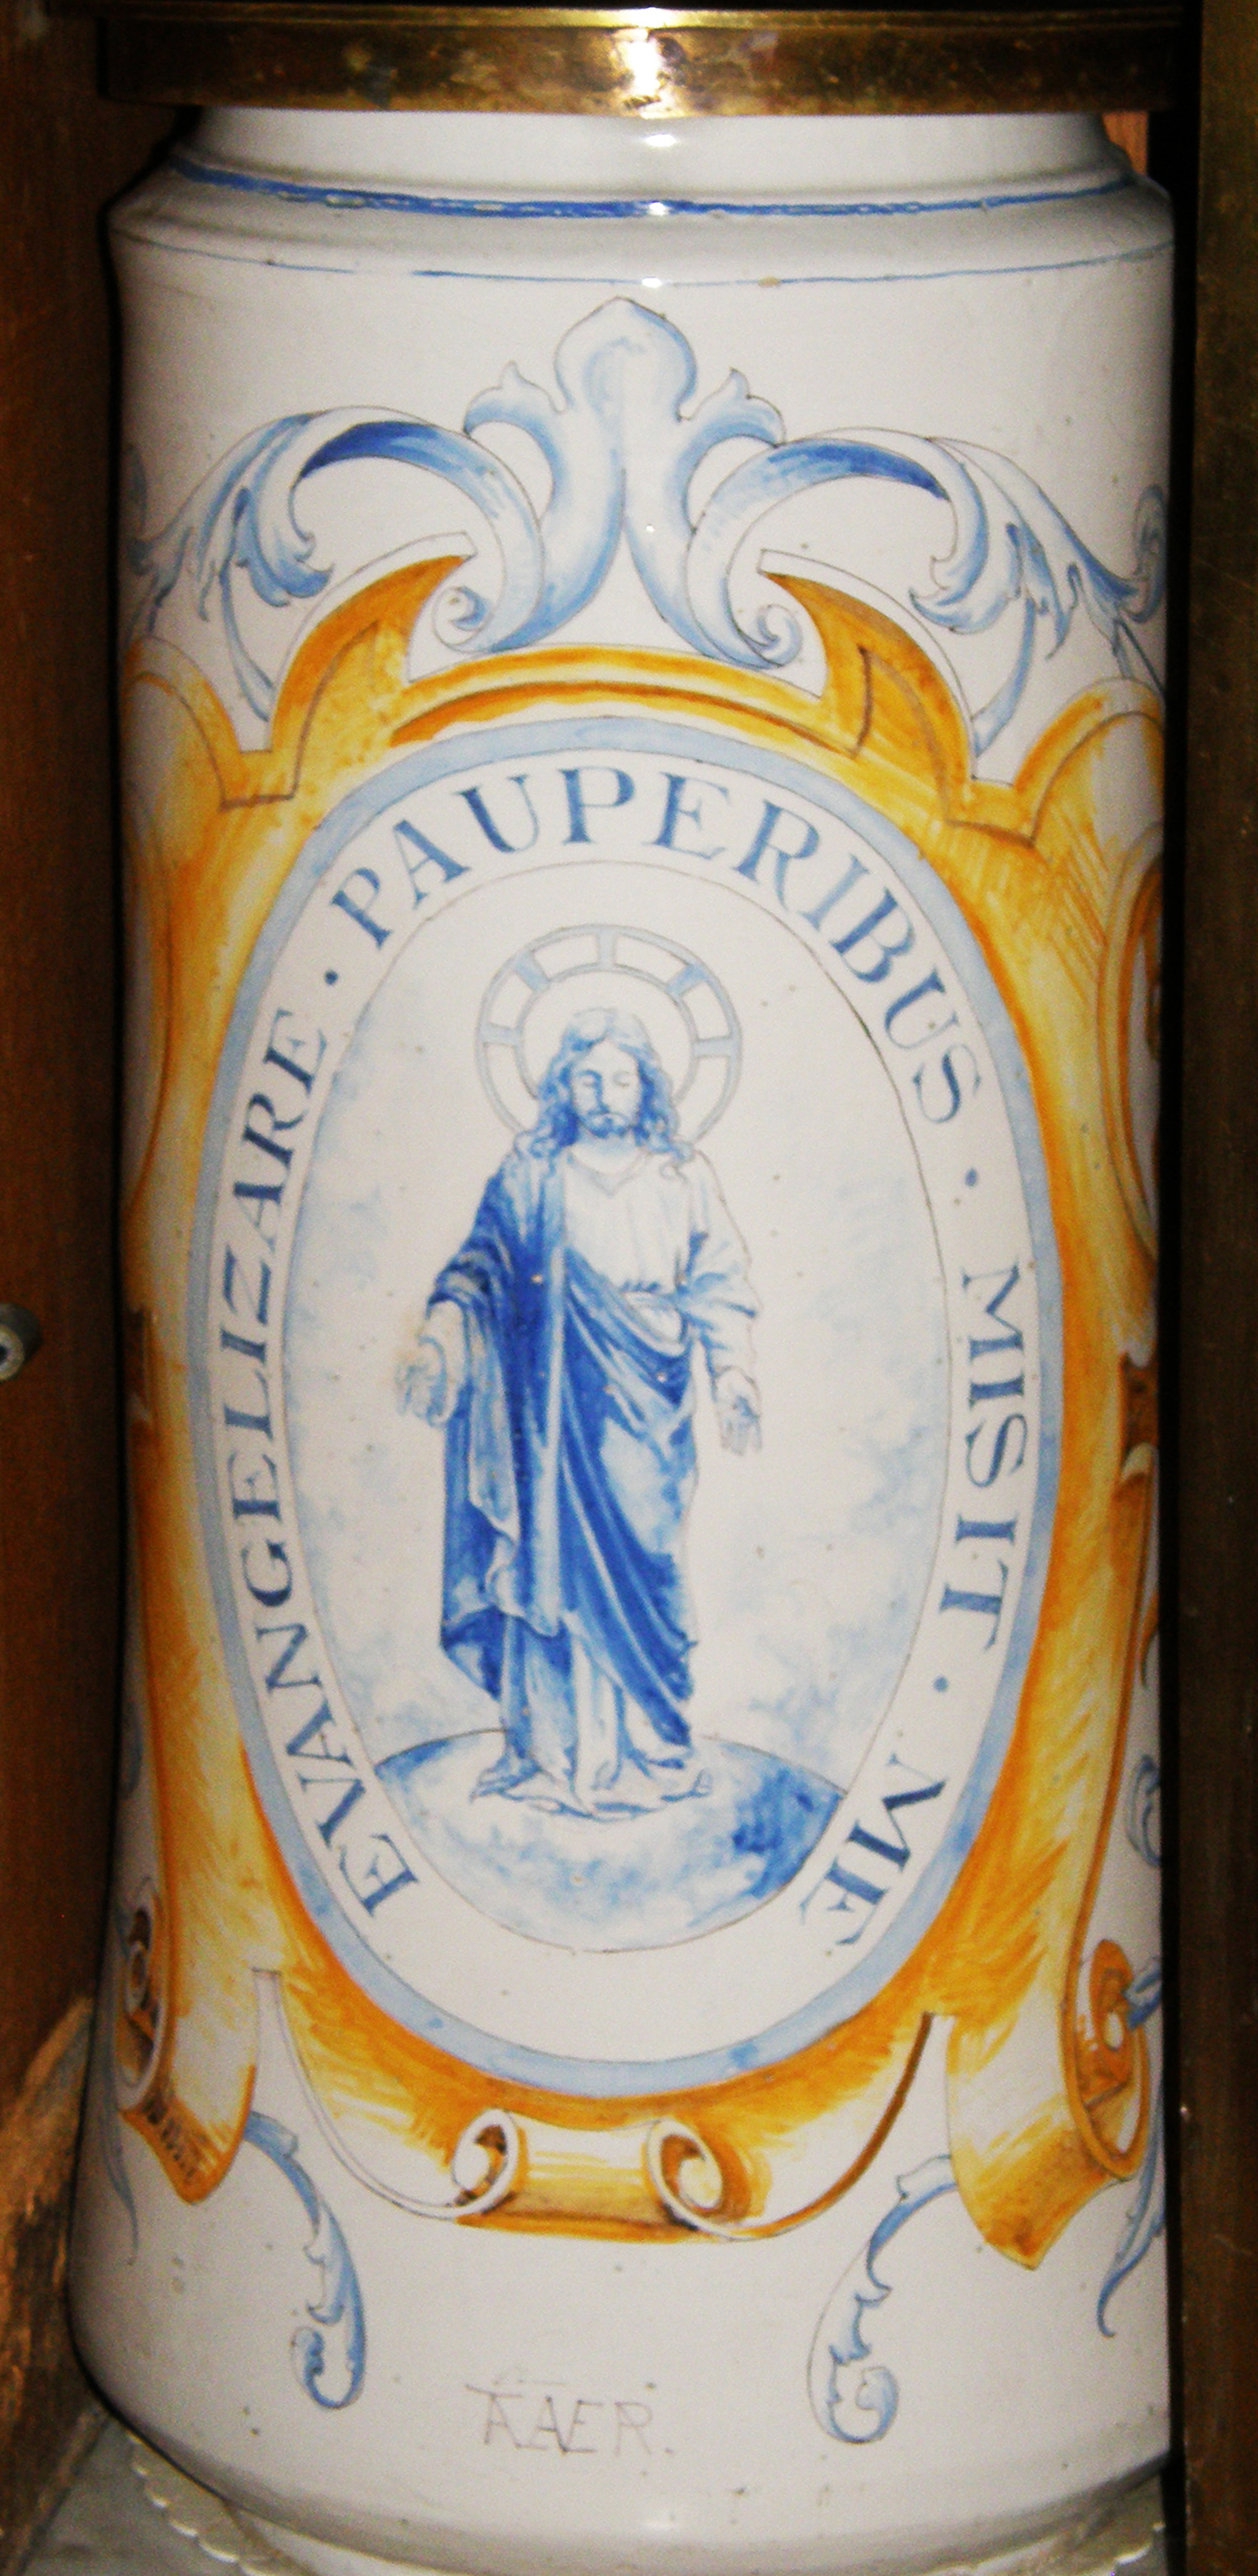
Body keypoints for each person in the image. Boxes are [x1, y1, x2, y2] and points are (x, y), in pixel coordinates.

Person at [398, 1007, 760, 1818]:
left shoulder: (681, 1177)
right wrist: (439, 1341)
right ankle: (556, 1750)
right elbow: (477, 1271)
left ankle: (653, 1744)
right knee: (550, 1566)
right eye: (589, 1078)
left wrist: (733, 1371)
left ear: (647, 1087)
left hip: (646, 1393)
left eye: (621, 1079)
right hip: (549, 1406)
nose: (604, 1094)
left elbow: (719, 1281)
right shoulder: (532, 1174)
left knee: (648, 1567)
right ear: (564, 1086)